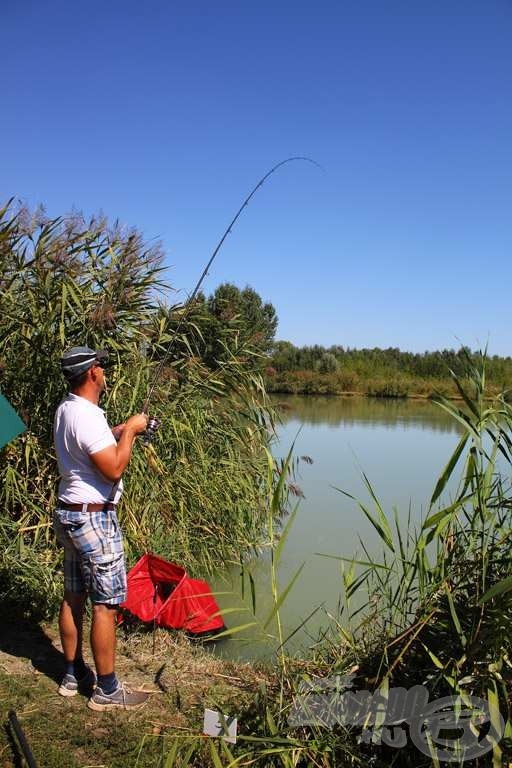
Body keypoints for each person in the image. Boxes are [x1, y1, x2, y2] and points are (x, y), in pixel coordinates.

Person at [53, 345, 149, 711]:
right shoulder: (87, 416)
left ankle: (72, 673)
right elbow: (113, 469)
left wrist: (117, 430)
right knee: (105, 605)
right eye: (102, 366)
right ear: (92, 372)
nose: (105, 371)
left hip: (70, 513)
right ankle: (107, 690)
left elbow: (84, 449)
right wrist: (133, 432)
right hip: (94, 520)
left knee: (72, 595)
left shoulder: (67, 409)